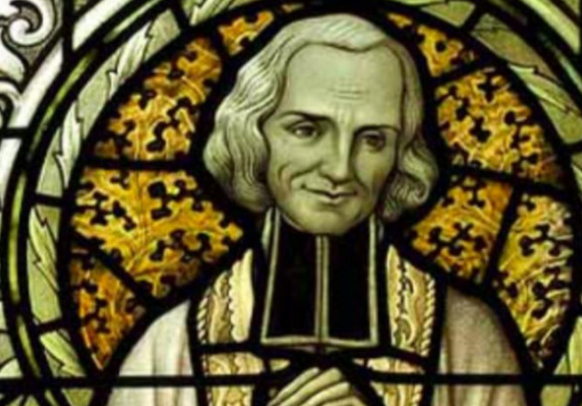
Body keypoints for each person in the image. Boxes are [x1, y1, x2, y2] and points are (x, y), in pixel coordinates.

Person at [107, 13, 527, 406]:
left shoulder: (467, 338)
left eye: (373, 139)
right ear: (253, 134)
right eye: (307, 130)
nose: (340, 169)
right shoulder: (169, 348)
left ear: (402, 153)